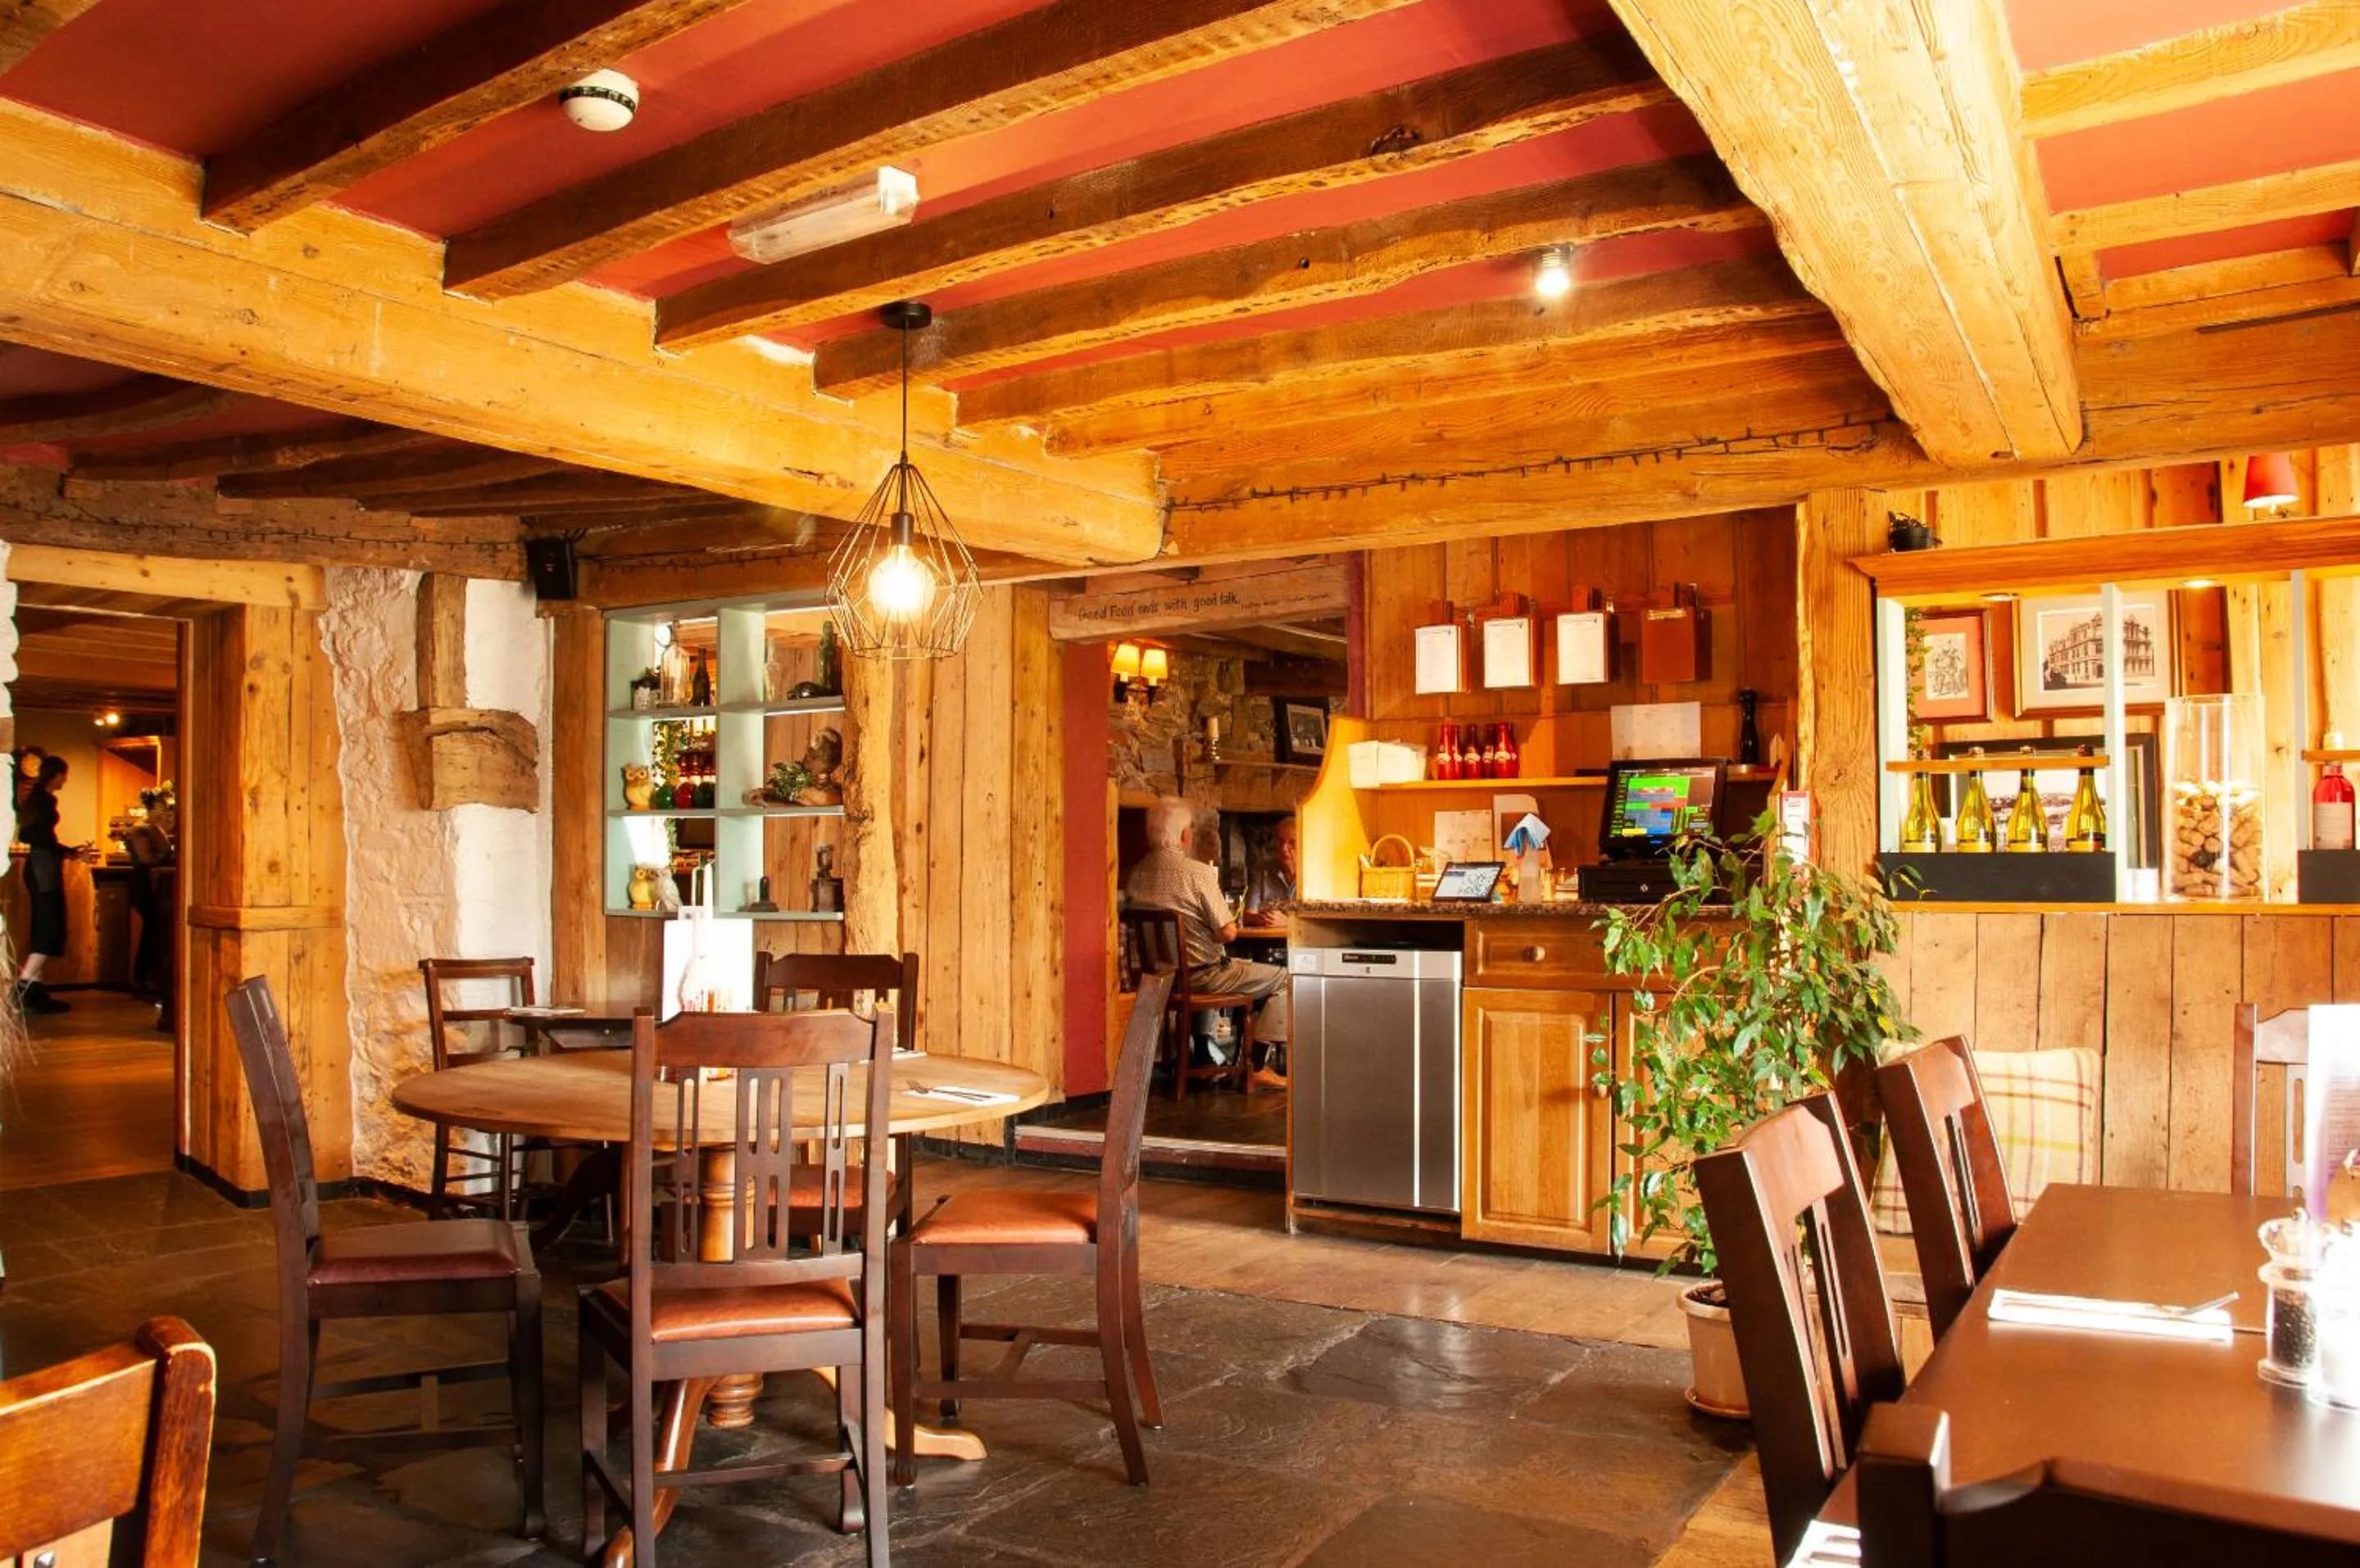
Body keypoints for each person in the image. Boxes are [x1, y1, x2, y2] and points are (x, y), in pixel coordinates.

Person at [1125, 795, 1288, 1071]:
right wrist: (1211, 935)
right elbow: (1228, 933)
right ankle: (1258, 1066)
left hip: (1161, 979)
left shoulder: (1136, 873)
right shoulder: (1197, 874)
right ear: (1186, 835)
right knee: (1286, 979)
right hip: (1203, 978)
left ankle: (1202, 1051)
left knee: (1214, 962)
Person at [15, 754, 84, 1015]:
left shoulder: (36, 801)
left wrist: (69, 852)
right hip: (43, 867)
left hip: (40, 866)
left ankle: (35, 989)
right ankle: (23, 987)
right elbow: (41, 838)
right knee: (49, 925)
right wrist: (68, 852)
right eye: (64, 775)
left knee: (44, 924)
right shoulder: (44, 802)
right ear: (56, 775)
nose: (65, 780)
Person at [1241, 817, 1297, 929]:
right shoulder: (1263, 869)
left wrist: (1289, 922)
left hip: (1304, 943)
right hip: (1267, 941)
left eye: (1292, 843)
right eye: (1281, 842)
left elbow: (1324, 922)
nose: (1284, 849)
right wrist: (1265, 918)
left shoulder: (1316, 874)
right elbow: (1247, 915)